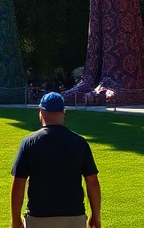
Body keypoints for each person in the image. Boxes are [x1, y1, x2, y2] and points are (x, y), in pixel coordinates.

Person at [10, 93, 100, 228]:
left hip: (39, 216)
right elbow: (92, 182)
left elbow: (18, 184)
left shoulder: (29, 143)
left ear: (40, 112)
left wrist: (16, 219)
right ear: (63, 112)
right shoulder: (80, 143)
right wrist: (96, 215)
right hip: (73, 216)